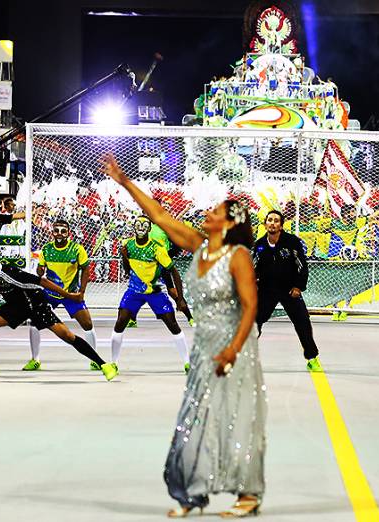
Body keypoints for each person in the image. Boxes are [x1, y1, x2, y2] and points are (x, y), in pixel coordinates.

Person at [102, 154, 265, 518]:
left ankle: (248, 493)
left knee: (235, 416)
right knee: (194, 417)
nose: (207, 213)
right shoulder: (199, 245)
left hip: (233, 345)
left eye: (216, 211)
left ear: (229, 222)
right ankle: (191, 493)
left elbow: (251, 307)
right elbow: (158, 216)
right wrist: (125, 182)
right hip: (205, 344)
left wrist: (234, 350)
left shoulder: (238, 256)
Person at [0, 252, 116, 382]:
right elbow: (3, 286)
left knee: (67, 336)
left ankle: (104, 365)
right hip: (16, 306)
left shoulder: (10, 273)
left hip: (35, 304)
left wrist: (68, 296)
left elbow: (42, 282)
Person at [110, 215, 190, 374]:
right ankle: (113, 363)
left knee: (172, 324)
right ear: (133, 226)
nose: (140, 227)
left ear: (149, 228)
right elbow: (127, 271)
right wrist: (125, 256)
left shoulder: (156, 248)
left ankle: (187, 362)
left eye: (144, 224)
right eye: (138, 224)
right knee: (120, 322)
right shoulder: (128, 245)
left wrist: (180, 299)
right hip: (134, 290)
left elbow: (174, 272)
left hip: (154, 291)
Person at [254, 209, 324, 372]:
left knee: (303, 323)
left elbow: (301, 265)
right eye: (269, 220)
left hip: (289, 290)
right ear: (265, 224)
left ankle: (312, 358)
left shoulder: (292, 242)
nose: (272, 223)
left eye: (276, 220)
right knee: (254, 323)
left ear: (281, 225)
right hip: (266, 290)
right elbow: (253, 267)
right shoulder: (259, 245)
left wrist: (298, 287)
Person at [30, 219, 100, 371]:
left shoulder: (77, 249)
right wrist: (39, 270)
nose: (60, 234)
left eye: (63, 231)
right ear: (52, 232)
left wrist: (81, 291)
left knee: (87, 324)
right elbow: (40, 271)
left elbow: (86, 270)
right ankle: (35, 360)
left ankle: (94, 359)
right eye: (57, 230)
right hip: (50, 293)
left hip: (71, 294)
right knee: (35, 322)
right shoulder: (46, 249)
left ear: (69, 233)